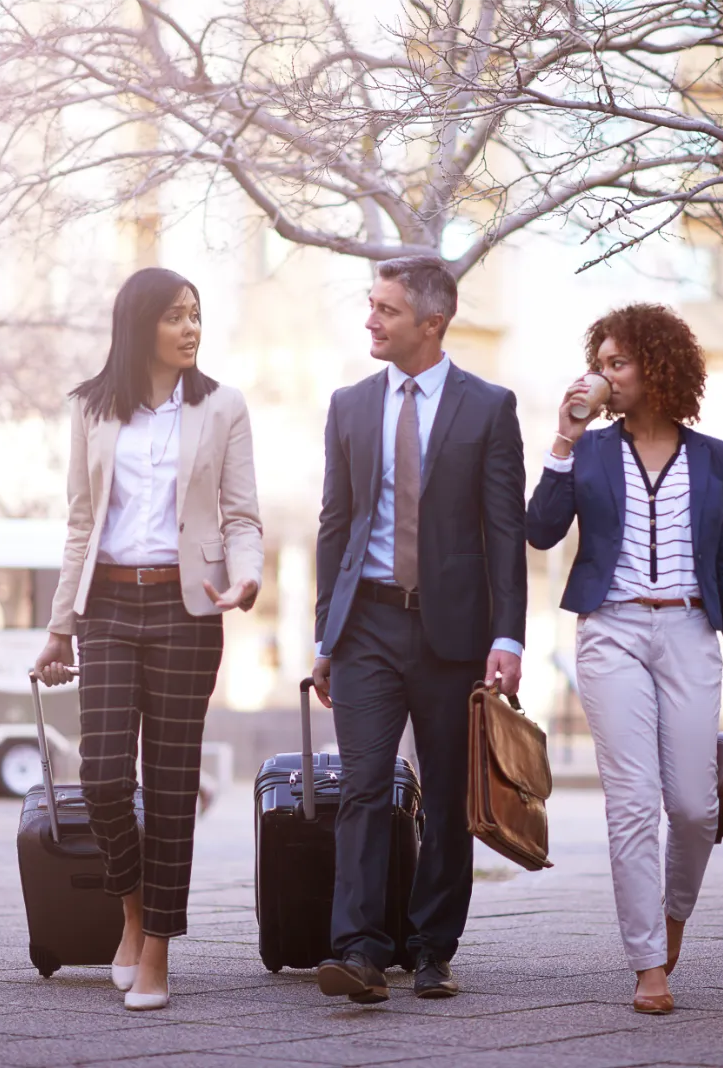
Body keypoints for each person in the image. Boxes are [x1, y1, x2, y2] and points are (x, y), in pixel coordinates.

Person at [525, 303, 723, 1016]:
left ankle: (670, 920)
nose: (604, 376)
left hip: (692, 633)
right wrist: (563, 441)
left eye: (617, 363)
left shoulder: (714, 457)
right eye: (600, 363)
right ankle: (647, 964)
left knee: (694, 809)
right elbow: (540, 532)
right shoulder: (593, 451)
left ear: (658, 367)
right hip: (612, 633)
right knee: (633, 804)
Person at [33, 267, 263, 1012]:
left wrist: (248, 577)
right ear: (140, 327)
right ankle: (131, 911)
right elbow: (78, 522)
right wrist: (58, 628)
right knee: (101, 777)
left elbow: (242, 515)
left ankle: (157, 951)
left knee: (168, 787)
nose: (191, 328)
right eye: (174, 316)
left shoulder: (222, 406)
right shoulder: (92, 408)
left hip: (187, 608)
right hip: (107, 607)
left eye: (196, 314)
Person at [311, 255, 528, 1005]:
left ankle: (433, 947)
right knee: (364, 787)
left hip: (454, 635)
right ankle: (359, 951)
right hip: (366, 625)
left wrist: (509, 638)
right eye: (371, 306)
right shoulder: (348, 406)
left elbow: (504, 533)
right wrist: (324, 639)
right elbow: (334, 527)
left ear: (431, 324)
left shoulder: (489, 408)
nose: (370, 319)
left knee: (447, 795)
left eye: (386, 309)